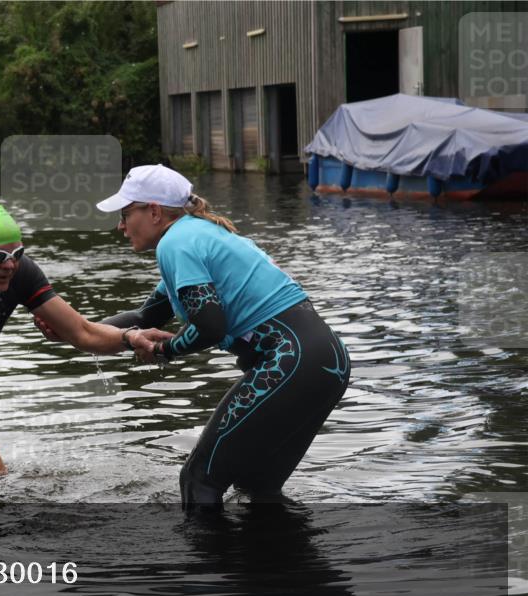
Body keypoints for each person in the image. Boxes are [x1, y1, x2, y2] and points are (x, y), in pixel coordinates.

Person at [51, 164, 351, 511]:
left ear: (154, 211)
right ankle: (278, 563)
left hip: (292, 362)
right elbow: (146, 317)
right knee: (257, 484)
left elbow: (210, 325)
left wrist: (164, 350)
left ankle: (206, 566)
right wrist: (75, 330)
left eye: (125, 213)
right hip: (329, 361)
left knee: (199, 478)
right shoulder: (197, 235)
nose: (120, 226)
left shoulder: (176, 243)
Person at [0, 202, 171, 497]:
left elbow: (82, 331)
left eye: (16, 254)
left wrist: (130, 338)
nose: (9, 265)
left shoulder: (18, 275)